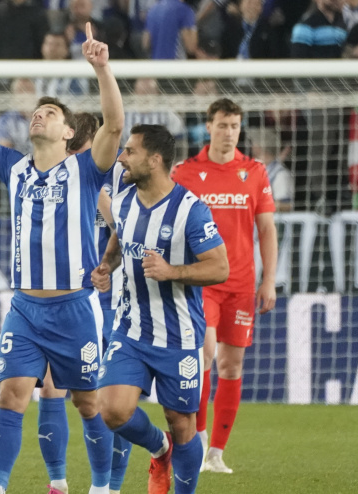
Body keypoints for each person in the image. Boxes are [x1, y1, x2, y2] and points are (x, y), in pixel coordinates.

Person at [0, 22, 125, 494]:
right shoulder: (14, 169)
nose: (39, 116)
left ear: (68, 132)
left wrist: (102, 69)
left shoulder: (85, 169)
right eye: (37, 112)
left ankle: (101, 487)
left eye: (50, 112)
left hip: (75, 308)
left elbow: (115, 125)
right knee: (12, 395)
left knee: (88, 403)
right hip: (25, 309)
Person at [94, 124, 229, 494]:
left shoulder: (191, 210)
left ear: (155, 160)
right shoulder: (121, 200)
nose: (121, 157)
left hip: (178, 334)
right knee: (112, 410)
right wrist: (107, 265)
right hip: (130, 329)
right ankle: (159, 448)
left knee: (183, 423)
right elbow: (120, 237)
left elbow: (220, 267)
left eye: (130, 151)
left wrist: (173, 272)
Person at [171, 98, 278, 474]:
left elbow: (266, 228)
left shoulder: (255, 172)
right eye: (222, 124)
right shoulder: (185, 172)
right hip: (203, 282)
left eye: (235, 125)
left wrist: (269, 280)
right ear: (209, 127)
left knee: (231, 367)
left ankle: (217, 453)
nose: (229, 132)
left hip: (242, 283)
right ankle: (197, 442)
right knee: (204, 355)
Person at [36, 111, 132, 494]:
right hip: (75, 299)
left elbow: (126, 232)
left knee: (109, 400)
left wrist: (106, 266)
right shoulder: (61, 177)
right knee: (50, 387)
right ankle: (58, 483)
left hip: (112, 301)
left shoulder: (114, 180)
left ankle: (111, 486)